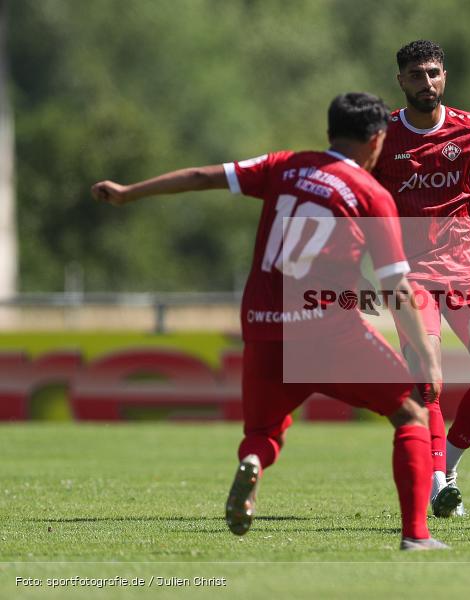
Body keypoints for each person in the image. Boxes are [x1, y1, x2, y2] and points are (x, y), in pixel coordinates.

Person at [91, 93, 448, 551]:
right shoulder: (371, 194)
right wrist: (426, 359)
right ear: (377, 139)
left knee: (263, 431)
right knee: (410, 413)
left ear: (328, 133)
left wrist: (128, 192)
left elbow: (204, 176)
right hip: (329, 332)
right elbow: (399, 290)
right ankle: (416, 536)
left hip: (263, 326)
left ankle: (255, 464)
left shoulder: (286, 166)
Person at [372, 40, 470, 517]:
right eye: (416, 75)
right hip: (410, 276)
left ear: (445, 76)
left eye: (433, 73)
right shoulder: (383, 137)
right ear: (401, 82)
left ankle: (448, 461)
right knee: (427, 378)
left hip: (469, 270)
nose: (426, 82)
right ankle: (437, 484)